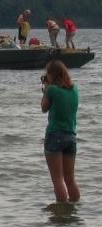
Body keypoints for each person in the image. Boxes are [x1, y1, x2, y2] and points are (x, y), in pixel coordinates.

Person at [41, 60, 80, 203]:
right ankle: (74, 209)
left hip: (55, 135)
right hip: (71, 136)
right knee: (70, 180)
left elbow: (44, 108)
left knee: (57, 181)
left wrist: (45, 89)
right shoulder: (74, 89)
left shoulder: (52, 90)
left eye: (48, 74)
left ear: (52, 74)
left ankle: (62, 212)